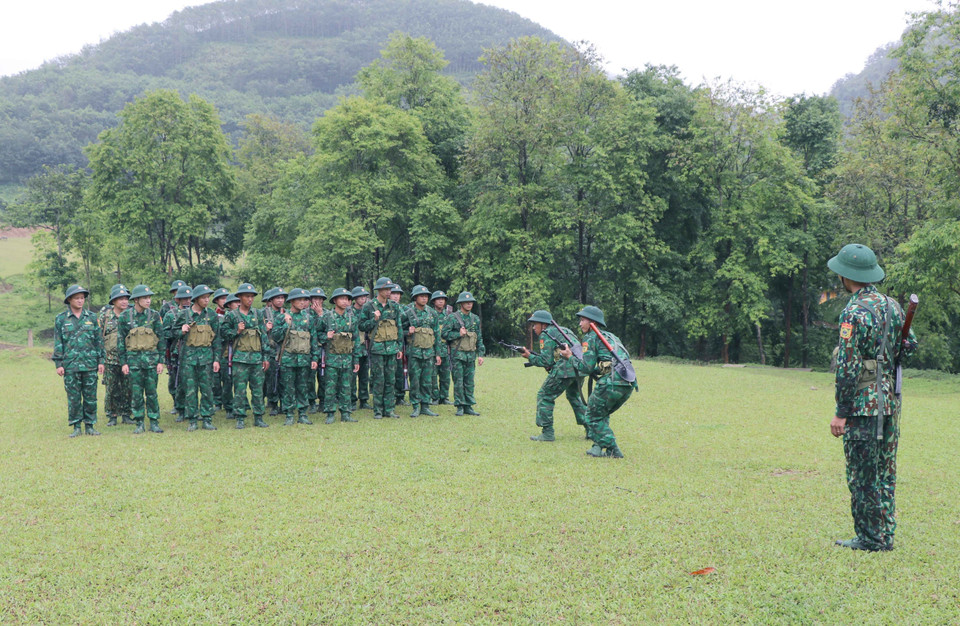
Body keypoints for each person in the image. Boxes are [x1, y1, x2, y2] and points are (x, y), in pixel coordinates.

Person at [827, 243, 918, 552]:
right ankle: (885, 534)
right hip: (891, 403)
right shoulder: (892, 306)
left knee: (863, 474)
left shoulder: (853, 312)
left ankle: (870, 538)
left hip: (864, 406)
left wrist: (841, 411)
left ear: (845, 276)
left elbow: (848, 366)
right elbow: (910, 345)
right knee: (885, 471)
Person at [565, 305, 635, 458]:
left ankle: (613, 450)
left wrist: (569, 356)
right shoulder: (611, 336)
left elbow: (585, 368)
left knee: (591, 416)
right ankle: (598, 447)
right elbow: (609, 362)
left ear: (593, 323)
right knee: (601, 413)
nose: (580, 324)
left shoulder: (590, 338)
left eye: (583, 320)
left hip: (611, 382)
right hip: (627, 382)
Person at [521, 310, 588, 442]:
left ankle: (547, 433)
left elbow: (545, 361)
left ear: (544, 325)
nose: (534, 328)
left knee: (544, 395)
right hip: (579, 368)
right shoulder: (563, 330)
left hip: (565, 369)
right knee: (573, 396)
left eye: (535, 324)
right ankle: (591, 428)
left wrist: (529, 356)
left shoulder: (546, 334)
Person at [53, 285, 105, 437]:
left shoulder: (92, 317)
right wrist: (59, 364)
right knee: (74, 398)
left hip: (90, 364)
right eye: (77, 298)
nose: (80, 300)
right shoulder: (61, 319)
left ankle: (90, 425)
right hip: (70, 365)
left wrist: (101, 360)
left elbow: (98, 340)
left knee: (90, 397)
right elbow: (58, 342)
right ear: (69, 300)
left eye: (82, 298)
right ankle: (76, 426)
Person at [117, 284, 166, 434]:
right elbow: (121, 341)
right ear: (136, 299)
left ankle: (154, 421)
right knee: (136, 394)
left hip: (151, 362)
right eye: (145, 298)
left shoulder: (155, 315)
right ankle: (139, 422)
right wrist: (123, 362)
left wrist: (160, 361)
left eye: (149, 297)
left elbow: (161, 339)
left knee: (152, 393)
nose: (148, 300)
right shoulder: (125, 317)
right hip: (134, 363)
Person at [221, 283, 270, 429]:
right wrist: (236, 331)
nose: (250, 299)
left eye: (252, 296)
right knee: (240, 390)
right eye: (247, 296)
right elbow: (223, 333)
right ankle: (240, 417)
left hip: (256, 358)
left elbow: (264, 336)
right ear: (240, 298)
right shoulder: (232, 315)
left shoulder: (258, 314)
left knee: (257, 389)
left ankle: (259, 417)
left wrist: (265, 356)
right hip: (239, 359)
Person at [174, 284, 221, 431]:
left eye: (208, 297)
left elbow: (217, 339)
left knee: (207, 389)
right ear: (196, 299)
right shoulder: (184, 315)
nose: (207, 300)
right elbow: (170, 333)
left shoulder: (211, 315)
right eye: (203, 297)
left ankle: (207, 418)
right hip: (188, 359)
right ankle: (192, 419)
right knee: (190, 390)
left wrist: (216, 359)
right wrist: (181, 331)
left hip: (207, 359)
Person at [271, 288, 319, 426]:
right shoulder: (282, 317)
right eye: (299, 300)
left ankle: (303, 414)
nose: (302, 302)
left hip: (304, 359)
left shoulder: (308, 318)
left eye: (305, 300)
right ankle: (289, 414)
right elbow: (275, 337)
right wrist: (286, 324)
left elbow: (313, 339)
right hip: (287, 359)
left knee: (303, 387)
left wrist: (315, 358)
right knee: (288, 387)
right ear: (291, 301)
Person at [358, 277, 404, 419]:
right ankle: (378, 410)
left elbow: (399, 327)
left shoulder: (394, 306)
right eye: (386, 289)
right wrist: (374, 320)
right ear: (379, 290)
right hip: (377, 348)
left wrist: (400, 347)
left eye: (390, 289)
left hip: (392, 348)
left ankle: (389, 409)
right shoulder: (369, 306)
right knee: (378, 379)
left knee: (391, 379)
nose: (389, 292)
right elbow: (361, 326)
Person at [318, 288, 362, 423]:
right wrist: (326, 336)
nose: (344, 301)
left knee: (347, 386)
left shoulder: (352, 318)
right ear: (335, 301)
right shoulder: (327, 317)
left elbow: (356, 340)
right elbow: (317, 335)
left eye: (347, 299)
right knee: (330, 387)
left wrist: (356, 359)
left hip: (347, 358)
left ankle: (346, 413)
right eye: (341, 298)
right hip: (332, 358)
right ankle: (330, 413)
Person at [442, 291, 484, 416]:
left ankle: (468, 405)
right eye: (466, 302)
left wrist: (481, 354)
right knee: (458, 381)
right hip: (457, 355)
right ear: (461, 304)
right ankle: (460, 405)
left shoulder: (475, 318)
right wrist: (457, 334)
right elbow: (444, 334)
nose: (469, 304)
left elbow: (479, 337)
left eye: (471, 302)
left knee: (469, 381)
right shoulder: (453, 318)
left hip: (470, 355)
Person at [403, 285, 441, 417]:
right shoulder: (407, 312)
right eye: (421, 296)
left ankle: (425, 405)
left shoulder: (432, 313)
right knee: (415, 380)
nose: (424, 298)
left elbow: (436, 334)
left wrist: (438, 354)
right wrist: (408, 331)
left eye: (426, 296)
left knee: (427, 380)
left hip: (429, 352)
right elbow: (398, 331)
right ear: (415, 297)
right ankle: (415, 406)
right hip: (414, 352)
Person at [99, 284, 133, 426]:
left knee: (127, 386)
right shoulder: (105, 315)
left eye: (126, 298)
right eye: (120, 299)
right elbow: (99, 336)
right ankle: (112, 415)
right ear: (113, 301)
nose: (124, 301)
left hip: (128, 357)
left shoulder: (131, 314)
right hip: (110, 357)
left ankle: (126, 413)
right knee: (111, 387)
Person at [163, 284, 193, 421]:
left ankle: (191, 408)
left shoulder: (195, 313)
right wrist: (180, 332)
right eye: (184, 299)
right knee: (177, 382)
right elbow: (165, 334)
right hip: (176, 353)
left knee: (192, 383)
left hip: (193, 352)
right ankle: (180, 408)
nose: (187, 301)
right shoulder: (170, 315)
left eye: (189, 298)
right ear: (178, 300)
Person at [261, 287, 287, 415]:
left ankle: (284, 403)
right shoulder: (263, 314)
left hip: (283, 351)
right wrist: (264, 328)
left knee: (284, 379)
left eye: (282, 298)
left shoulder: (286, 314)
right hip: (270, 350)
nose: (280, 300)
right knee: (271, 379)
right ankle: (273, 403)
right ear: (271, 300)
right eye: (278, 298)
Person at [349, 286, 373, 410]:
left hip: (364, 347)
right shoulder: (349, 311)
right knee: (352, 376)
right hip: (352, 348)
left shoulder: (367, 311)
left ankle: (364, 400)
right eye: (360, 297)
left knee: (364, 376)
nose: (363, 299)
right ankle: (352, 400)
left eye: (365, 297)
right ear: (354, 298)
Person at [218, 292, 239, 419]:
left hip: (240, 353)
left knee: (239, 383)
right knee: (227, 383)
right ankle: (229, 407)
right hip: (227, 354)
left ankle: (239, 406)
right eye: (235, 302)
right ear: (229, 305)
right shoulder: (224, 318)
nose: (238, 304)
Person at [211, 287, 231, 411]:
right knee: (214, 379)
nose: (224, 301)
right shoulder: (212, 315)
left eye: (226, 298)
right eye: (222, 298)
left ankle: (228, 403)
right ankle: (217, 401)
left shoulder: (231, 315)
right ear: (217, 301)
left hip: (227, 351)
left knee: (227, 379)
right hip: (213, 350)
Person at [430, 290, 452, 405]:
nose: (441, 301)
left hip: (445, 349)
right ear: (433, 301)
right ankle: (435, 397)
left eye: (442, 299)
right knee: (433, 375)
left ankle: (444, 397)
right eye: (438, 299)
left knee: (445, 375)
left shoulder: (449, 315)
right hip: (432, 349)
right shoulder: (430, 314)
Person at [308, 287, 327, 414]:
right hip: (309, 349)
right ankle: (311, 401)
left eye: (320, 299)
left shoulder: (327, 313)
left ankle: (323, 401)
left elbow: (330, 327)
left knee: (324, 377)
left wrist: (321, 315)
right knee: (310, 377)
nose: (318, 301)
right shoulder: (306, 313)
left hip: (325, 348)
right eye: (315, 298)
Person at [391, 283, 410, 406]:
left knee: (401, 371)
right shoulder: (384, 307)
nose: (396, 296)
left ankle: (400, 396)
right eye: (394, 293)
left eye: (398, 294)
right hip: (386, 343)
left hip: (401, 344)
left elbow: (409, 326)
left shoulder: (405, 309)